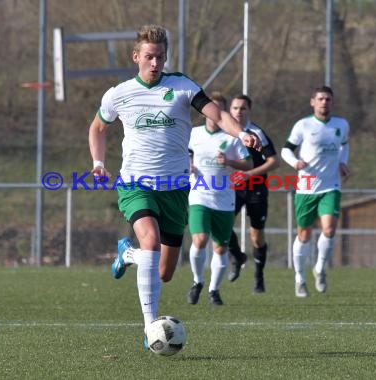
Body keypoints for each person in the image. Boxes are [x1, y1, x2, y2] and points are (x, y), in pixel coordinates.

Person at [88, 25, 260, 348]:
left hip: (176, 189)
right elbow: (97, 127)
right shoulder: (119, 94)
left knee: (164, 272)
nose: (155, 63)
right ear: (136, 56)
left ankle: (128, 254)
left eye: (161, 57)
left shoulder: (182, 86)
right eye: (150, 57)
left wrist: (240, 134)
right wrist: (98, 163)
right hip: (135, 184)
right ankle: (150, 328)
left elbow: (218, 114)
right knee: (151, 243)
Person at [280, 85, 350, 298]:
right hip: (307, 187)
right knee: (304, 234)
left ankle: (320, 269)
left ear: (332, 102)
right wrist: (295, 162)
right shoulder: (303, 125)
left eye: (328, 99)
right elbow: (285, 149)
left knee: (329, 229)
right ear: (313, 102)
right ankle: (299, 279)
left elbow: (344, 146)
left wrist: (343, 162)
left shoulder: (341, 125)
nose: (324, 102)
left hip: (331, 185)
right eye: (320, 99)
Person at [186, 92, 252, 306]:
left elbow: (248, 164)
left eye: (220, 109)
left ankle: (214, 290)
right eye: (211, 108)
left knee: (220, 248)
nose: (215, 113)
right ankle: (197, 282)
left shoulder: (232, 137)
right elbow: (180, 152)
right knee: (200, 239)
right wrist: (187, 165)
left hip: (224, 199)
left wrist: (231, 162)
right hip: (199, 195)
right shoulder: (193, 133)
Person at [227, 94, 279, 293]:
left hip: (256, 187)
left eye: (243, 108)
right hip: (231, 189)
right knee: (221, 227)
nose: (239, 112)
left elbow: (274, 161)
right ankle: (237, 256)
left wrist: (249, 174)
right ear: (229, 111)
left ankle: (259, 276)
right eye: (235, 108)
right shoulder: (226, 131)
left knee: (256, 236)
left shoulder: (256, 132)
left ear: (250, 111)